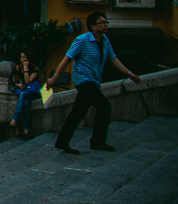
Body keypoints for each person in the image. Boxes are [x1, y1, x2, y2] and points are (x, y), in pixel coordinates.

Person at [46, 11, 143, 154]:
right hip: (84, 80)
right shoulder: (82, 40)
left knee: (77, 113)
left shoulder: (105, 41)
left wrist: (129, 74)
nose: (105, 24)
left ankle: (62, 142)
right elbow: (67, 59)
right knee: (104, 107)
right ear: (93, 26)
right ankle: (98, 141)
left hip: (94, 81)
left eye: (106, 22)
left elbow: (113, 59)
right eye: (102, 22)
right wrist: (55, 78)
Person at [9, 51, 43, 136]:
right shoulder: (18, 67)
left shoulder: (35, 68)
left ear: (28, 58)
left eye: (23, 57)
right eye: (21, 57)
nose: (21, 59)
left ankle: (14, 119)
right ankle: (27, 129)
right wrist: (18, 85)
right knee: (26, 104)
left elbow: (28, 81)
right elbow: (15, 82)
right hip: (23, 90)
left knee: (23, 95)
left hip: (32, 91)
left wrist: (26, 68)